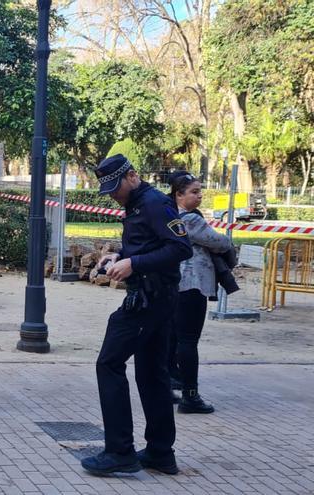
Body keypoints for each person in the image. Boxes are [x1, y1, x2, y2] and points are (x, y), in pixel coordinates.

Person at [81, 154, 192, 476]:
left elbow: (180, 248)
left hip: (149, 299)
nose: (114, 195)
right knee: (151, 374)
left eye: (117, 187)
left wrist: (134, 264)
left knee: (108, 363)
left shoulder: (155, 203)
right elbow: (150, 244)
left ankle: (119, 452)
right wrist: (122, 255)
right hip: (155, 298)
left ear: (133, 175)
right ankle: (160, 452)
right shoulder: (138, 204)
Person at [166, 171, 232, 414]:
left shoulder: (167, 216)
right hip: (192, 285)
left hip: (172, 283)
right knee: (188, 340)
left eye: (200, 190)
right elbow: (220, 242)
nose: (200, 195)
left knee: (172, 337)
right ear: (178, 195)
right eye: (194, 191)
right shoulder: (191, 221)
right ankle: (190, 396)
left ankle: (167, 386)